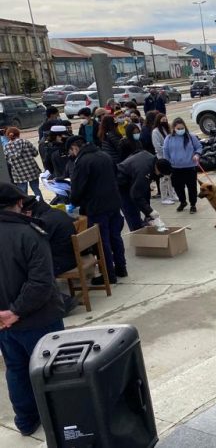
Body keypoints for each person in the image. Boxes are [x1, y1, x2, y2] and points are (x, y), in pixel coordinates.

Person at [0, 183, 66, 437]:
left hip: (5, 323)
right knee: (50, 370)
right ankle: (59, 418)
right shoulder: (30, 232)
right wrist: (15, 312)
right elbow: (41, 282)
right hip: (37, 318)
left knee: (16, 370)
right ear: (17, 204)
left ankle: (26, 421)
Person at [68, 137, 127, 284]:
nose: (72, 154)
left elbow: (77, 188)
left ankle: (108, 274)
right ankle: (121, 267)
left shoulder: (82, 162)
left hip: (96, 207)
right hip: (113, 203)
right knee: (115, 237)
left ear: (75, 148)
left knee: (102, 242)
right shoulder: (104, 155)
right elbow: (115, 174)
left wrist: (73, 200)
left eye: (71, 151)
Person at [117, 144, 172, 230]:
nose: (160, 177)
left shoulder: (151, 158)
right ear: (158, 170)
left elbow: (145, 191)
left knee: (139, 208)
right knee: (132, 210)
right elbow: (136, 195)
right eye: (161, 175)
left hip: (129, 180)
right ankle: (137, 233)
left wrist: (148, 213)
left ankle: (141, 226)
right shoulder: (144, 171)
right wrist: (150, 211)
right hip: (120, 184)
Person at [21, 196, 76, 276]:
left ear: (28, 213)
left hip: (61, 262)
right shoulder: (55, 212)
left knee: (21, 270)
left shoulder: (43, 222)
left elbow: (35, 247)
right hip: (70, 256)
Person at [162, 117, 203, 213]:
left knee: (192, 187)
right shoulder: (169, 138)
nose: (181, 130)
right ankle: (183, 202)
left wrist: (197, 154)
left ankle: (193, 204)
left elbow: (199, 147)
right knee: (178, 187)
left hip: (190, 167)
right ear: (174, 128)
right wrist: (167, 165)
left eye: (182, 128)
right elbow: (166, 152)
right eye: (178, 128)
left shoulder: (191, 137)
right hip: (175, 168)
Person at [3, 127, 42, 197]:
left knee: (23, 191)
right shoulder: (25, 142)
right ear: (18, 134)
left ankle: (25, 205)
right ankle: (40, 203)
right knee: (36, 189)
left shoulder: (6, 147)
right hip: (32, 170)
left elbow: (7, 160)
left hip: (18, 173)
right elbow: (35, 153)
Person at [151, 113, 177, 205]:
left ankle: (172, 194)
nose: (164, 122)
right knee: (163, 178)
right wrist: (167, 150)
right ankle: (164, 197)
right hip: (161, 158)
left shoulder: (167, 129)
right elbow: (157, 146)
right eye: (162, 120)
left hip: (169, 158)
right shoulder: (155, 132)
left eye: (165, 120)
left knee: (169, 177)